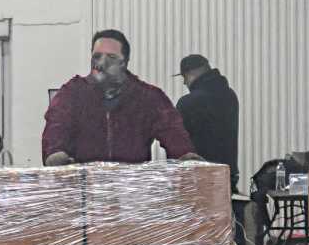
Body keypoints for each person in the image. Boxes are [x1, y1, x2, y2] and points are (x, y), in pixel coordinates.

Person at [42, 30, 199, 165]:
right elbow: (56, 127)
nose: (101, 63)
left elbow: (172, 131)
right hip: (84, 191)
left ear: (124, 62)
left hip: (131, 191)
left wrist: (185, 155)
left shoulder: (147, 98)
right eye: (97, 56)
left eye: (111, 57)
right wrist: (55, 154)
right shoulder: (72, 94)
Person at [175, 54, 240, 191]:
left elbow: (177, 145)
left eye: (184, 78)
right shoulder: (230, 96)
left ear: (190, 74)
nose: (184, 83)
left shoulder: (188, 103)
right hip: (227, 175)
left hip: (198, 179)